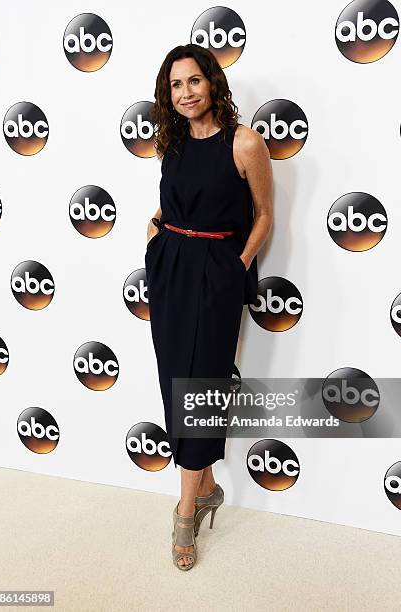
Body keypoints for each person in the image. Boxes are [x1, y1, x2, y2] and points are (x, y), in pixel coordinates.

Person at [145, 43, 273, 570]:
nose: (185, 93)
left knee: (201, 386)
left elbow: (264, 215)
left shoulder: (245, 143)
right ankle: (209, 487)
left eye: (193, 81)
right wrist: (154, 239)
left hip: (215, 274)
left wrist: (235, 267)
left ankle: (184, 508)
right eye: (175, 86)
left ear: (212, 81)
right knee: (176, 382)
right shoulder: (170, 143)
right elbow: (166, 205)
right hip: (170, 268)